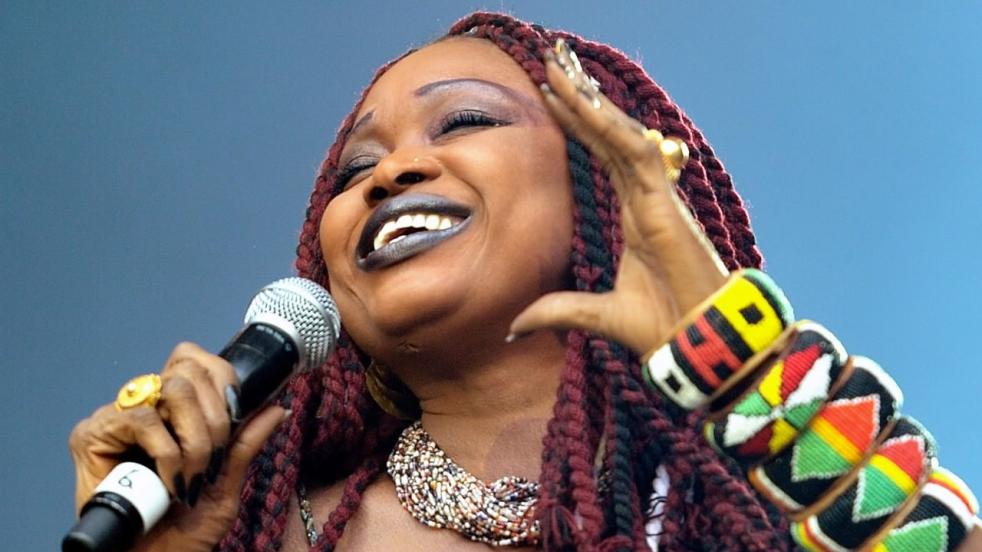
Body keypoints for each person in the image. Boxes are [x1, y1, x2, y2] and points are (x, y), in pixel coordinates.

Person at [67, 11, 981, 552]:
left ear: (599, 188)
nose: (391, 174)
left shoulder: (732, 514)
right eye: (355, 171)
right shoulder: (279, 533)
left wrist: (742, 362)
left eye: (465, 122)